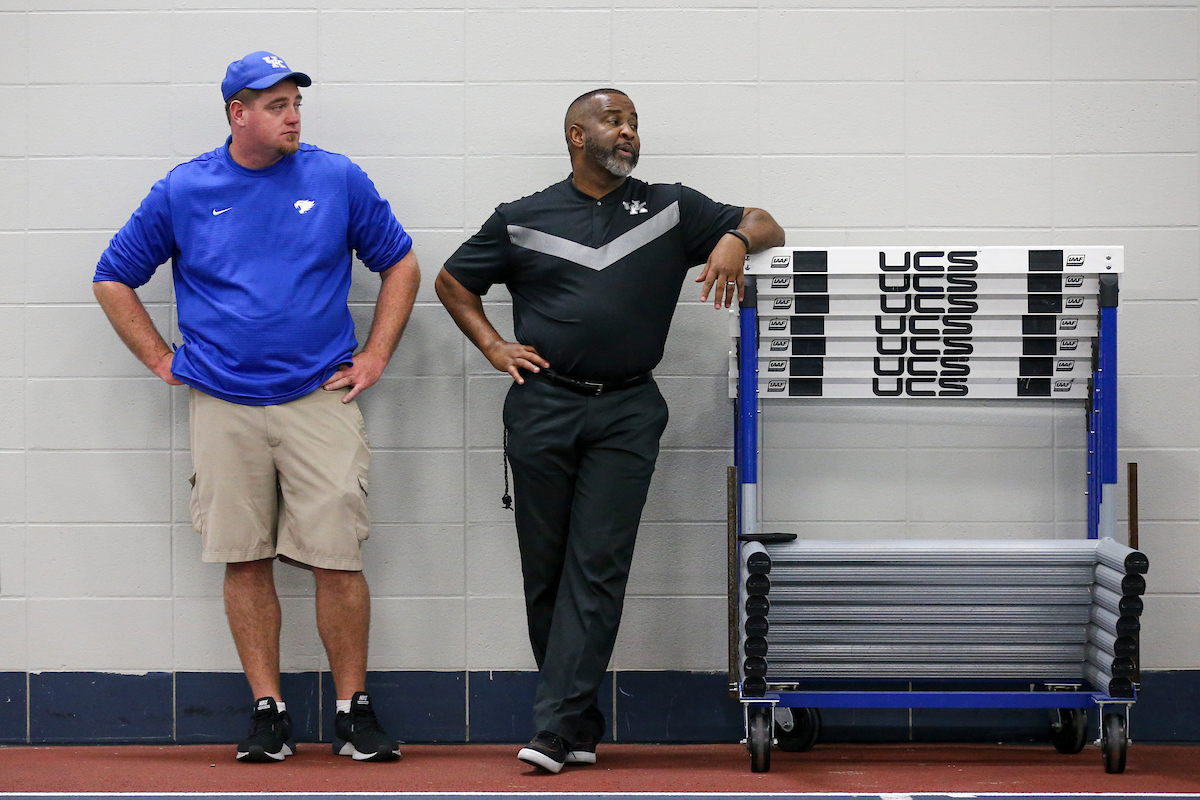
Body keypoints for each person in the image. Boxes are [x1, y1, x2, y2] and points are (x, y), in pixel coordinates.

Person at [435, 88, 784, 773]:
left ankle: (554, 728)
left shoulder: (670, 208)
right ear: (577, 135)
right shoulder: (523, 216)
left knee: (597, 565)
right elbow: (452, 282)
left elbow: (768, 222)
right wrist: (494, 346)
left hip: (627, 409)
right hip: (543, 406)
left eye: (634, 123)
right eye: (613, 121)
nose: (628, 132)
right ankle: (579, 723)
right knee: (546, 572)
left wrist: (736, 240)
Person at [92, 51, 419, 764]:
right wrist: (158, 357)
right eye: (276, 105)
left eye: (296, 103)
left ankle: (352, 710)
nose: (293, 116)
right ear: (238, 114)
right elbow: (113, 276)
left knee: (337, 556)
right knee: (243, 558)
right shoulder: (185, 188)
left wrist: (376, 354)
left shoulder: (336, 177)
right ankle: (268, 713)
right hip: (223, 402)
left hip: (319, 396)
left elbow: (399, 261)